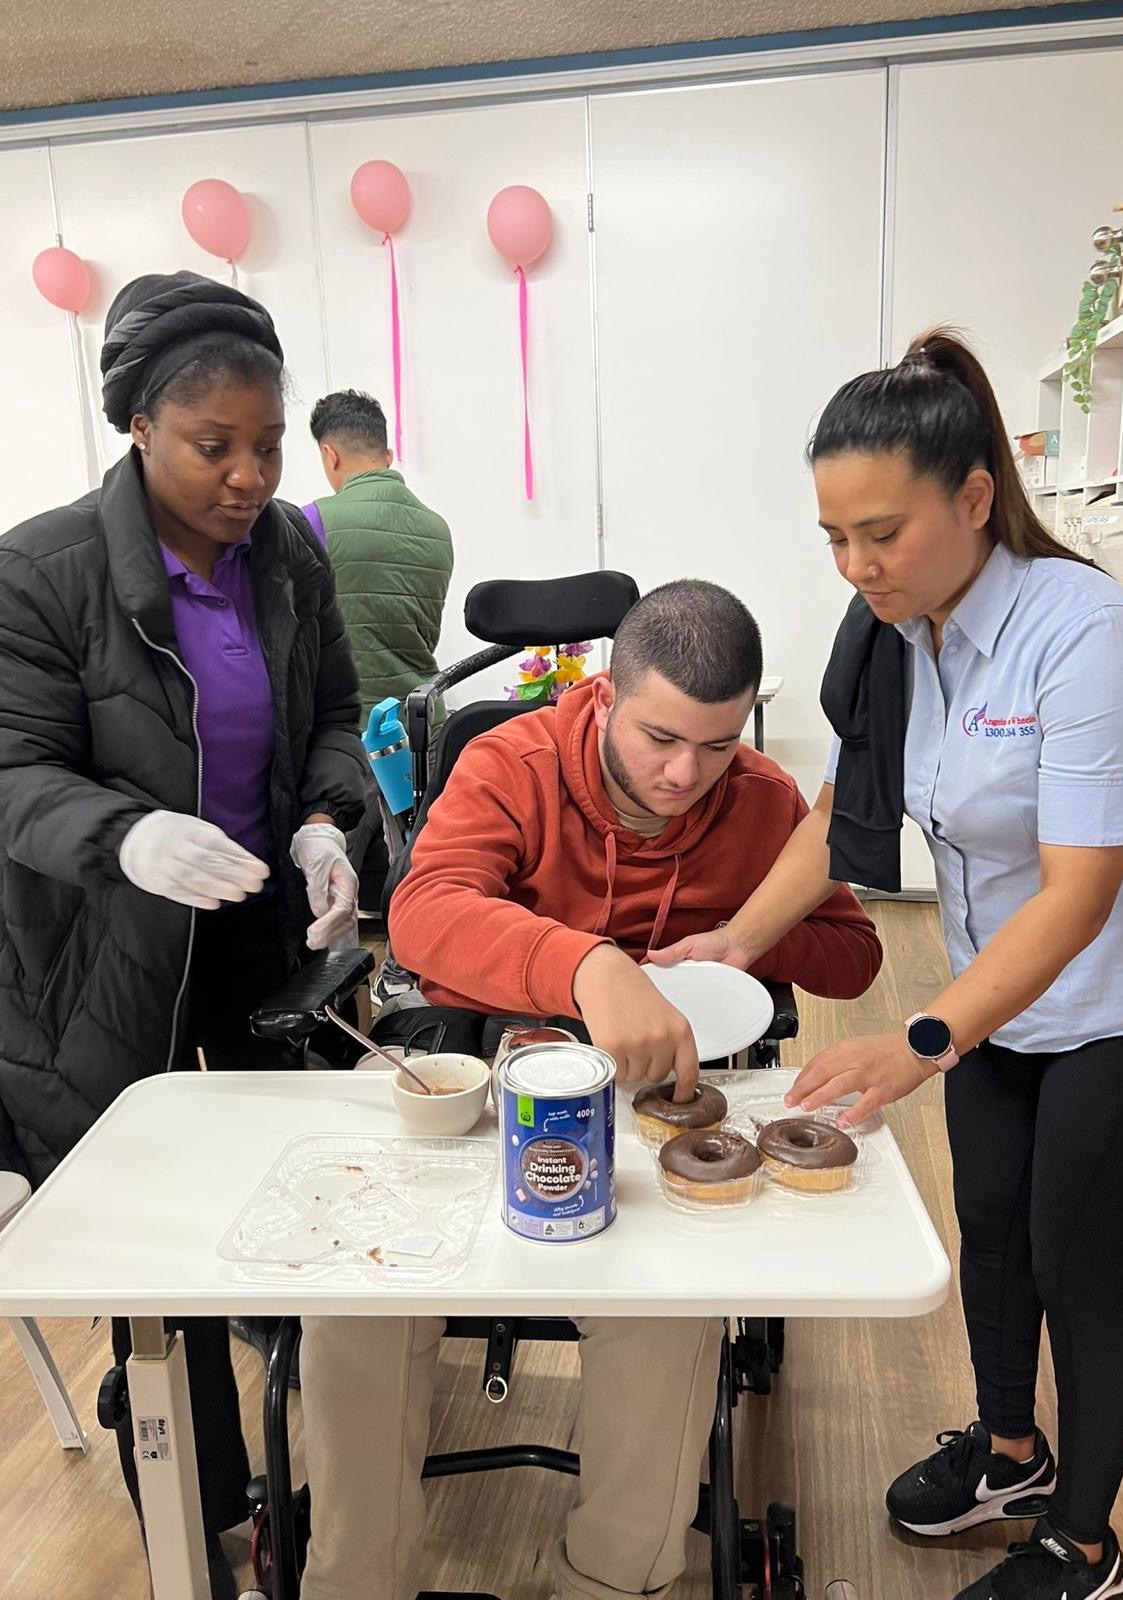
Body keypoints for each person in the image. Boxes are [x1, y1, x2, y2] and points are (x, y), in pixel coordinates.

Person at [655, 333, 1123, 1600]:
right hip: (993, 1001)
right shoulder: (907, 633)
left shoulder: (1089, 634)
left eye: (881, 533)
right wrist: (738, 937)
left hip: (1122, 1009)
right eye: (835, 537)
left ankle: (1085, 1547)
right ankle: (1009, 1457)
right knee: (995, 1237)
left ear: (972, 497)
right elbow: (850, 797)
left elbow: (1080, 897)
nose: (856, 568)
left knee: (1080, 1267)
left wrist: (919, 1038)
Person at [296, 579, 883, 1600]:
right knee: (359, 1305)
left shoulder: (758, 799)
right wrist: (587, 965)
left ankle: (612, 1583)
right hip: (490, 1081)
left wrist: (741, 940)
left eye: (717, 743)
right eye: (661, 737)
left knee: (669, 1317)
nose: (685, 773)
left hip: (658, 1117)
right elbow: (426, 915)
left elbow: (853, 952)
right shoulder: (512, 764)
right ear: (608, 692)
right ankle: (356, 1580)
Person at [0, 271, 367, 1600]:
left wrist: (327, 822)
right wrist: (127, 838)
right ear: (140, 426)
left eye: (268, 443)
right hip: (101, 957)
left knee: (289, 1183)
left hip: (259, 921)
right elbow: (10, 776)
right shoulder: (38, 573)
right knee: (156, 1240)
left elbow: (334, 705)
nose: (251, 474)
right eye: (217, 445)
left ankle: (306, 1459)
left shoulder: (289, 553)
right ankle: (197, 1494)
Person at [303, 388, 453, 725]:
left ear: (330, 455)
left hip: (354, 732)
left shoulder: (311, 522)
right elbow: (423, 635)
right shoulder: (437, 529)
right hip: (424, 724)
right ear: (387, 455)